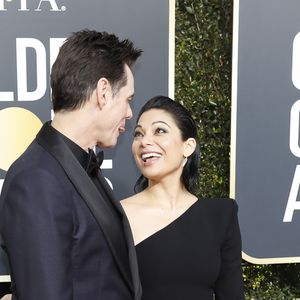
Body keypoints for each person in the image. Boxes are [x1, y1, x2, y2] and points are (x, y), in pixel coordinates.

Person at [0, 29, 142, 300]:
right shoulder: (36, 180)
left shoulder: (78, 166)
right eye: (128, 99)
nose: (129, 113)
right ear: (102, 92)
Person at [121, 95, 245, 300]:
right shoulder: (118, 215)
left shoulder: (221, 215)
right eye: (138, 134)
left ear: (188, 147)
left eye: (159, 131)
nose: (145, 142)